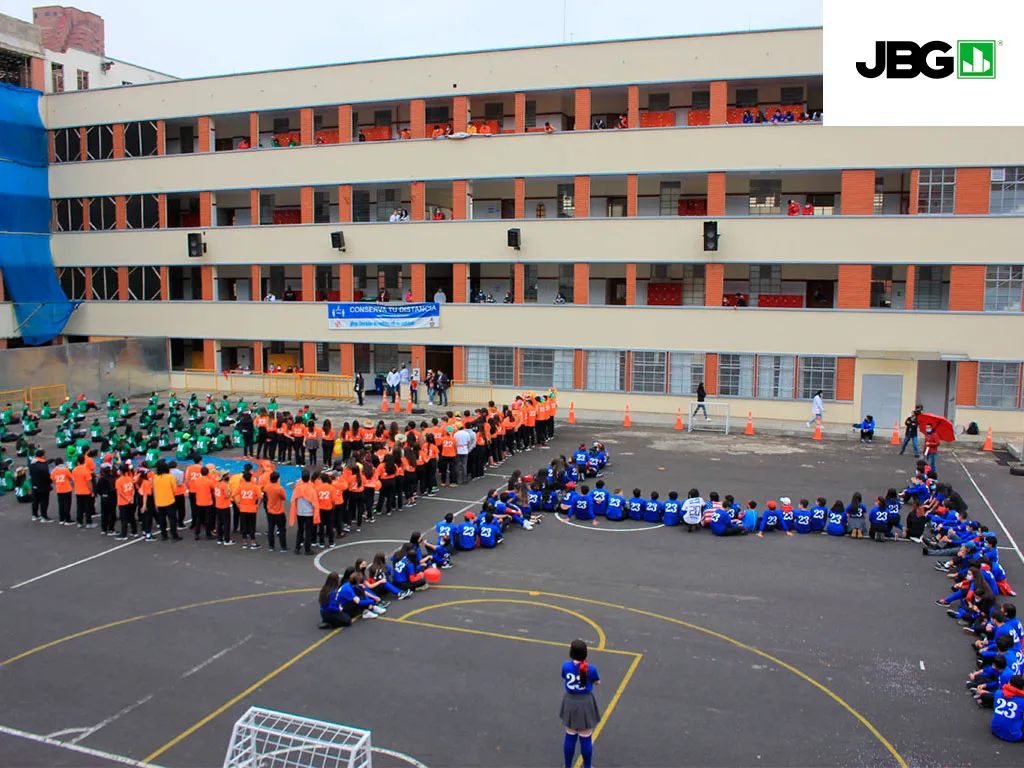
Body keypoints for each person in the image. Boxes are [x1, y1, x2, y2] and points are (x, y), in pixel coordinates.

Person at [561, 639, 601, 768]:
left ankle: (568, 765)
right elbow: (596, 681)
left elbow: (564, 676)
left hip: (570, 702)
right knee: (586, 737)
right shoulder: (591, 669)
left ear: (571, 653)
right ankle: (587, 766)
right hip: (585, 703)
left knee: (570, 735)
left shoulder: (566, 666)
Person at [991, 674, 1024, 742]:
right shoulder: (1022, 701)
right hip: (1013, 736)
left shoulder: (998, 693)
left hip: (995, 729)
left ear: (1009, 683)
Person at [28, 449, 53, 522]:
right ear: (42, 456)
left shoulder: (32, 463)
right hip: (43, 486)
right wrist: (50, 482)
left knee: (35, 501)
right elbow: (46, 476)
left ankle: (35, 515)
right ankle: (44, 516)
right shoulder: (43, 466)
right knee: (44, 501)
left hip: (34, 484)